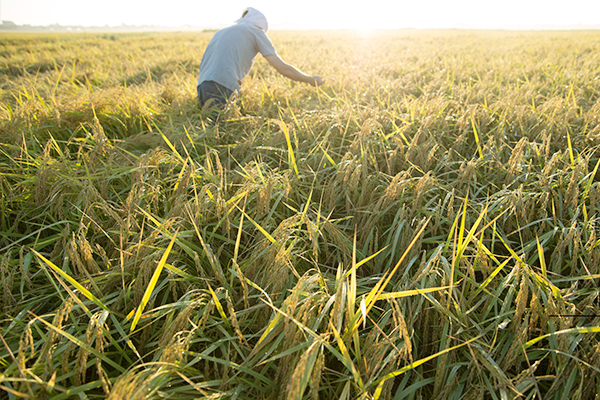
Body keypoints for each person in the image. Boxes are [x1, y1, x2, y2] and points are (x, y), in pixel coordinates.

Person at [196, 7, 324, 112]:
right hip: (222, 87)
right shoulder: (255, 32)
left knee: (208, 131)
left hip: (202, 87)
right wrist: (310, 80)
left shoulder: (221, 32)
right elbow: (284, 69)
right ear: (261, 27)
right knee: (220, 136)